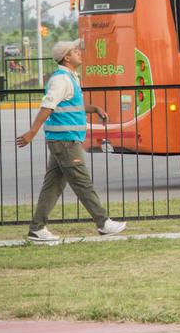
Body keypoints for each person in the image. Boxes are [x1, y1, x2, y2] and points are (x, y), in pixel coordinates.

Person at [16, 40, 126, 244]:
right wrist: (32, 132)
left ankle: (37, 229)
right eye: (76, 51)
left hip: (65, 140)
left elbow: (70, 105)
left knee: (53, 186)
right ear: (67, 57)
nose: (80, 53)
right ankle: (103, 223)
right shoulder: (61, 80)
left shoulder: (69, 78)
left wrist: (94, 109)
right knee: (82, 182)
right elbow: (48, 106)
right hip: (65, 141)